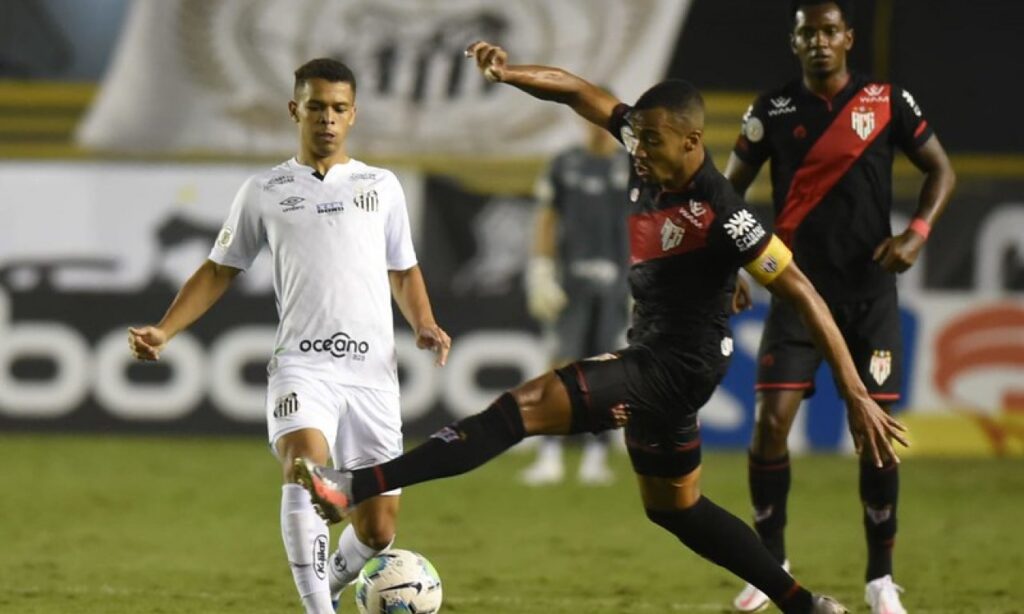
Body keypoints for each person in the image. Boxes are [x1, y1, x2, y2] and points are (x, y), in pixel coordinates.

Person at [295, 41, 911, 614]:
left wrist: (854, 390)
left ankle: (355, 485)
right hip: (661, 357)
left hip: (674, 366)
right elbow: (576, 91)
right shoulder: (646, 145)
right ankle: (807, 605)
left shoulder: (722, 209)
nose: (637, 151)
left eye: (651, 141)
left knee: (524, 407)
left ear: (693, 140)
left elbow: (800, 288)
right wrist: (511, 74)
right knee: (677, 508)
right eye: (635, 137)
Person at [127, 58, 451, 614]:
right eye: (318, 106)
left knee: (378, 531)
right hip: (304, 366)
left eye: (339, 108)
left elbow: (402, 268)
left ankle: (323, 585)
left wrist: (423, 322)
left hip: (373, 375)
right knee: (306, 466)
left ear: (354, 116)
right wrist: (165, 328)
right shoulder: (265, 190)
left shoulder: (382, 186)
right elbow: (218, 269)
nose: (328, 118)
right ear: (294, 109)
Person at [724, 2, 956, 612]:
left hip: (869, 297)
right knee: (770, 424)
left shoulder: (885, 101)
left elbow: (941, 170)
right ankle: (769, 564)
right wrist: (730, 265)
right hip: (796, 293)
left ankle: (880, 578)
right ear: (794, 41)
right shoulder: (770, 110)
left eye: (830, 31)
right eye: (808, 33)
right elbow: (726, 194)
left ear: (849, 38)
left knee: (875, 438)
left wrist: (917, 234)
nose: (820, 42)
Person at [520, 115, 631, 486]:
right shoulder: (564, 164)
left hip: (617, 282)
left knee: (606, 372)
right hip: (571, 280)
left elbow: (646, 220)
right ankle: (549, 453)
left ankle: (596, 456)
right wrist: (540, 268)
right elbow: (547, 217)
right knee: (560, 367)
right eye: (592, 120)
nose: (597, 127)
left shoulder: (632, 166)